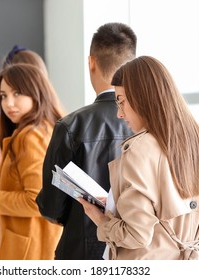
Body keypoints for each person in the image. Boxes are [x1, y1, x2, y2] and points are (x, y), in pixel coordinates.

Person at [79, 56, 199, 260]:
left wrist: (102, 220)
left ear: (143, 98)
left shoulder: (139, 149)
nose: (119, 113)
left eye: (122, 102)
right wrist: (115, 203)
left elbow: (136, 235)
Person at [36, 22, 137, 260]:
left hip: (81, 251)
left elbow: (51, 207)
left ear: (91, 62)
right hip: (138, 252)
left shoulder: (70, 126)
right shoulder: (155, 125)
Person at [0, 63, 65, 260]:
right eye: (4, 96)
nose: (8, 103)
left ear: (35, 93)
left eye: (17, 93)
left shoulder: (31, 137)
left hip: (29, 250)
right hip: (39, 244)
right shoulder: (46, 129)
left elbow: (37, 201)